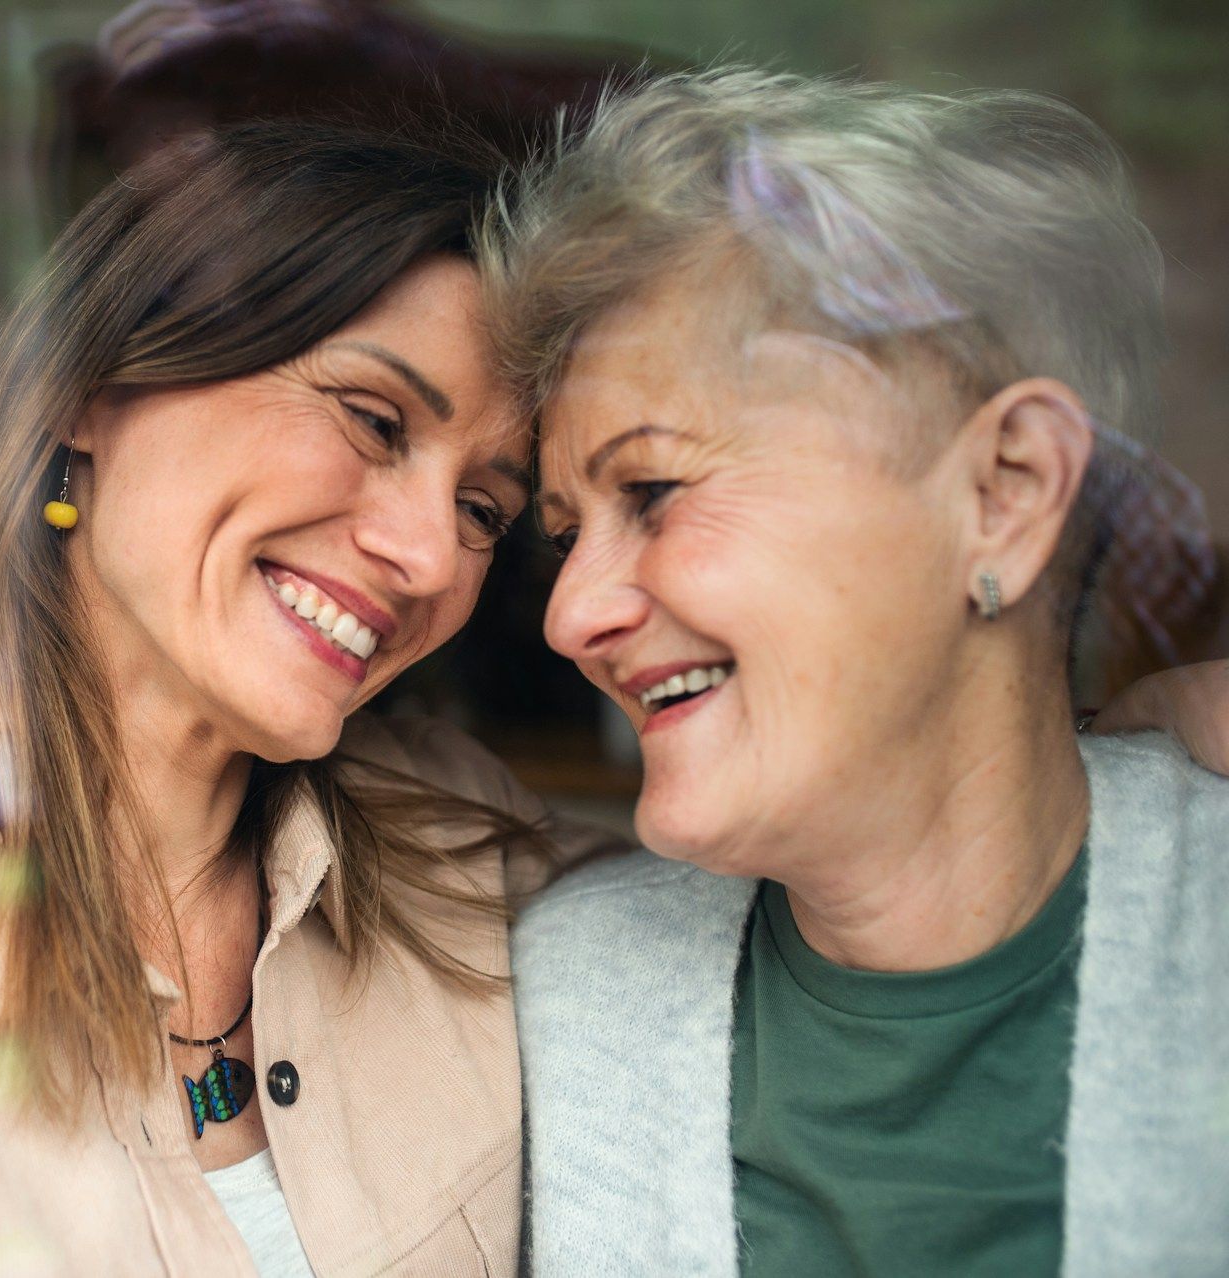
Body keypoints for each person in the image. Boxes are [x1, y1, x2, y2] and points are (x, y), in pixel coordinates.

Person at [0, 110, 1222, 1278]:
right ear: (95, 386)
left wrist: (1159, 741)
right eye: (372, 420)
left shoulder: (491, 898)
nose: (428, 557)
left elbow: (933, 807)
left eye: (480, 510)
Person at [492, 69, 1229, 1276]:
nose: (571, 614)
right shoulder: (566, 1001)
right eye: (569, 536)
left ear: (1004, 494)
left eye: (656, 490)